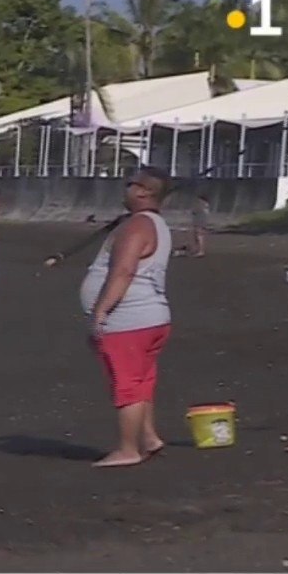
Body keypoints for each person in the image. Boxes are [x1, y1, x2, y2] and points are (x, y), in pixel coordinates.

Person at [80, 166, 174, 468]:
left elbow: (123, 271)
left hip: (129, 320)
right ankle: (149, 438)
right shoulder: (155, 224)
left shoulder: (138, 225)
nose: (125, 189)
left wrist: (100, 312)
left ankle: (128, 449)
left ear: (144, 191)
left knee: (127, 384)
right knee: (140, 382)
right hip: (150, 318)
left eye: (129, 184)